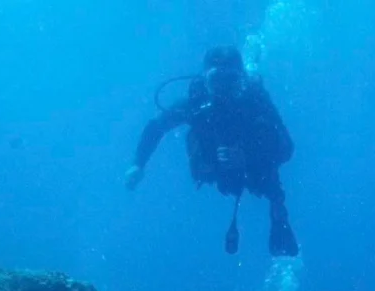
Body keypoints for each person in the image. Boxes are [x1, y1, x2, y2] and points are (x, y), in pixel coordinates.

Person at [125, 46, 298, 257]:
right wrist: (138, 163)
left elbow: (287, 148)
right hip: (213, 167)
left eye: (230, 79)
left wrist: (248, 155)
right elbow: (156, 127)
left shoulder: (256, 101)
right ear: (206, 79)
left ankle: (279, 219)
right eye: (217, 80)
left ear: (241, 79)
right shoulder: (197, 105)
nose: (224, 88)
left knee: (269, 174)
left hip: (255, 168)